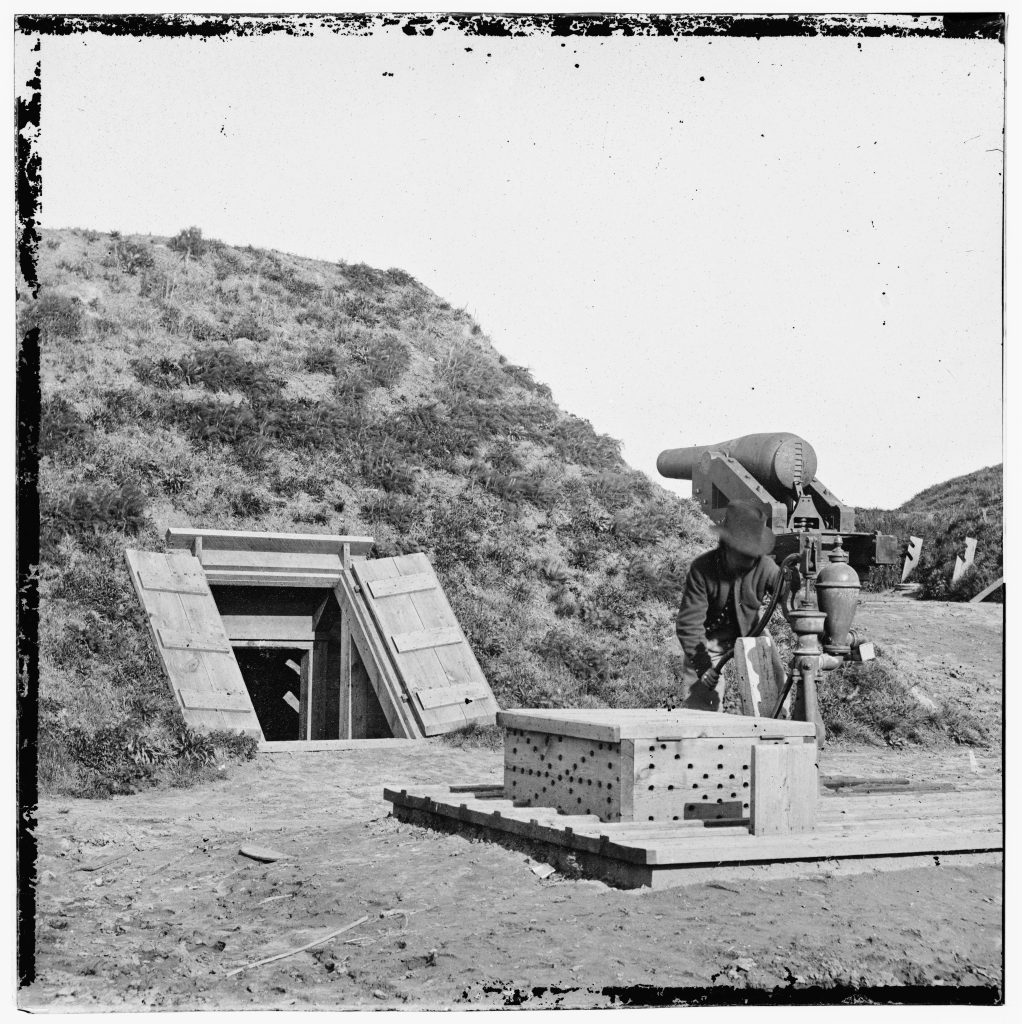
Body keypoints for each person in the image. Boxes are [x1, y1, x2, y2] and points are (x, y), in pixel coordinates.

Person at [675, 500, 780, 712]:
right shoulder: (701, 569)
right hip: (708, 638)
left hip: (753, 632)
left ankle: (775, 728)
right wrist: (704, 667)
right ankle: (702, 735)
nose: (749, 559)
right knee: (700, 695)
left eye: (753, 552)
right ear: (727, 545)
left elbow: (789, 597)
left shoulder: (766, 567)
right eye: (743, 552)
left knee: (775, 681)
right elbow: (689, 624)